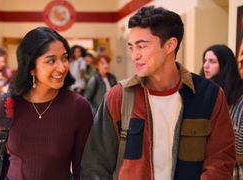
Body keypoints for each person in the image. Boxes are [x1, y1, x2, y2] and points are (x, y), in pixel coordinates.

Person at [80, 6, 235, 180]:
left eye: (142, 46)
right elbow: (95, 166)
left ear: (170, 45)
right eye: (131, 47)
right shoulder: (119, 96)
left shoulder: (210, 95)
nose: (134, 55)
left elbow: (220, 161)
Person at [0, 26, 93, 179]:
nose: (62, 67)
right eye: (51, 61)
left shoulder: (78, 108)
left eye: (64, 58)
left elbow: (82, 171)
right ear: (31, 67)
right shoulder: (3, 106)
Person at [200, 44, 243, 180]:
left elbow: (239, 145)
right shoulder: (200, 93)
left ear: (224, 66)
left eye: (212, 61)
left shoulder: (239, 98)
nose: (206, 65)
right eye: (205, 61)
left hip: (234, 170)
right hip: (204, 169)